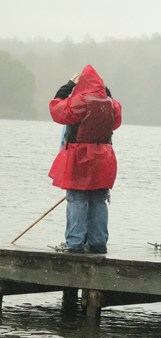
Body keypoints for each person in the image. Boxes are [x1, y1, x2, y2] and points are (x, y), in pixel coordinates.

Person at [48, 65, 122, 254]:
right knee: (99, 200)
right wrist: (105, 91)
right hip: (104, 158)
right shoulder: (112, 104)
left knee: (77, 199)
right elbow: (116, 120)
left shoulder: (80, 101)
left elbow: (56, 109)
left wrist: (68, 86)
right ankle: (98, 244)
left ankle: (74, 243)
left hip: (80, 157)